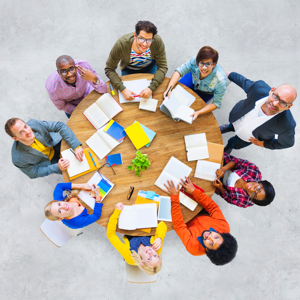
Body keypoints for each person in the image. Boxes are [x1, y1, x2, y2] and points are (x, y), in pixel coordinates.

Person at [164, 178, 237, 266]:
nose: (209, 236)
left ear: (207, 250)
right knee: (187, 183)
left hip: (183, 219)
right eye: (216, 237)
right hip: (199, 210)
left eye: (210, 243)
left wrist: (175, 198)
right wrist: (194, 191)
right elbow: (212, 207)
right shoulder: (224, 228)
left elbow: (179, 225)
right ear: (222, 234)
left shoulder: (193, 248)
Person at [220, 72, 297, 153]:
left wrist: (265, 144)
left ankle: (229, 147)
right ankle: (229, 127)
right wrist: (229, 74)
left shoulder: (287, 125)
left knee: (233, 143)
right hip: (237, 118)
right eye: (276, 96)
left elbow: (287, 143)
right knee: (232, 125)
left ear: (288, 107)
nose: (275, 103)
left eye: (283, 103)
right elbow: (243, 81)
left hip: (247, 138)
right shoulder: (258, 88)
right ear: (271, 91)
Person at [105, 20, 168, 101]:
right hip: (128, 69)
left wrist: (151, 88)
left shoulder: (157, 41)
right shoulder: (121, 44)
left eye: (149, 40)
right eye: (141, 39)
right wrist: (123, 89)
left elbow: (163, 66)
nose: (145, 44)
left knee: (153, 97)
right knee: (129, 99)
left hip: (150, 67)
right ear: (135, 35)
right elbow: (109, 69)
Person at [164, 46, 229, 120]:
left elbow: (216, 103)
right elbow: (179, 71)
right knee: (174, 93)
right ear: (198, 61)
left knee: (190, 109)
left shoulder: (220, 81)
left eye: (208, 64)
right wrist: (169, 88)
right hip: (193, 78)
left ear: (214, 64)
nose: (204, 68)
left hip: (206, 92)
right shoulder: (195, 60)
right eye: (202, 63)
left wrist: (199, 112)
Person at [5, 118, 83, 179]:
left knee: (83, 155)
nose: (27, 131)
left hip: (55, 143)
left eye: (25, 126)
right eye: (21, 132)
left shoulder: (34, 124)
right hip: (51, 163)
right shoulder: (17, 158)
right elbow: (33, 173)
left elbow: (60, 126)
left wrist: (76, 146)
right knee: (77, 174)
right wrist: (57, 167)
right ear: (15, 138)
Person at [106, 202, 167, 275]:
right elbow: (162, 224)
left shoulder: (129, 255)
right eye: (154, 255)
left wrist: (116, 212)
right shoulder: (157, 249)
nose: (151, 252)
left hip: (128, 224)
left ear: (142, 262)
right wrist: (160, 238)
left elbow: (110, 235)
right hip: (144, 220)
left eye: (149, 258)